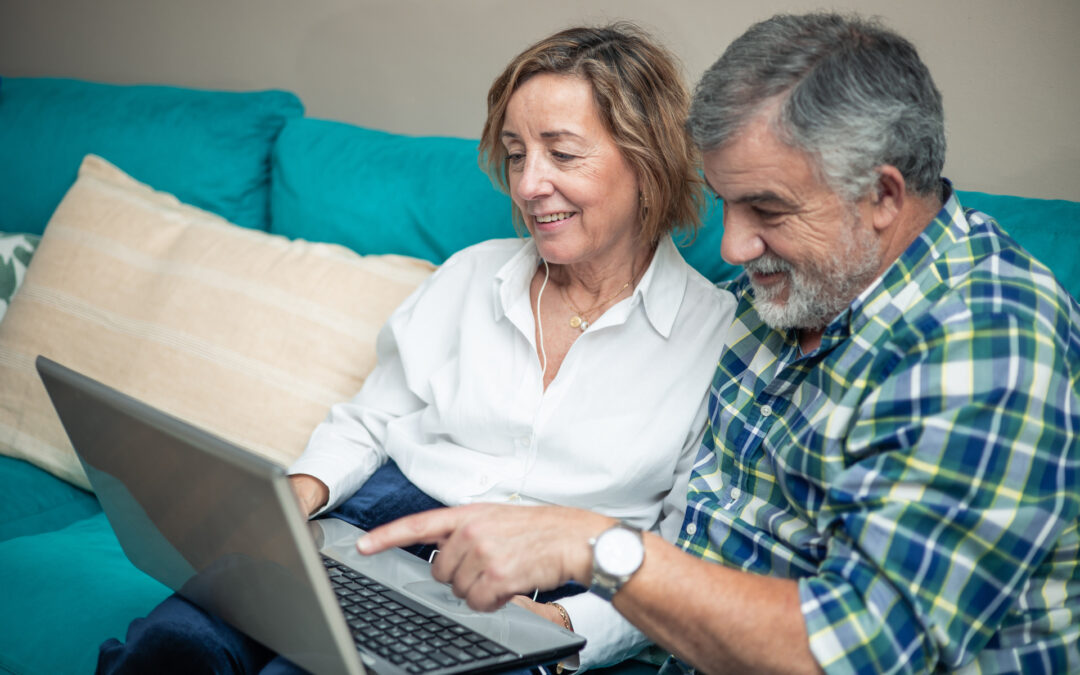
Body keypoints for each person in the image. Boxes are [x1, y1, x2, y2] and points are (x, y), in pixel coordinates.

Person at [358, 12, 1080, 674]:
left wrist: (594, 546)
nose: (732, 247)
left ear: (884, 197)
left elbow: (857, 652)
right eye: (725, 201)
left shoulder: (991, 342)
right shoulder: (785, 295)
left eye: (767, 208)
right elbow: (683, 534)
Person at [97, 23, 735, 674]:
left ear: (647, 159)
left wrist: (568, 624)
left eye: (562, 154)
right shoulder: (470, 275)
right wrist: (298, 491)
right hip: (384, 522)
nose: (528, 184)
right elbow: (373, 418)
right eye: (516, 154)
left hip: (546, 576)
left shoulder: (720, 341)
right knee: (176, 642)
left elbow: (680, 558)